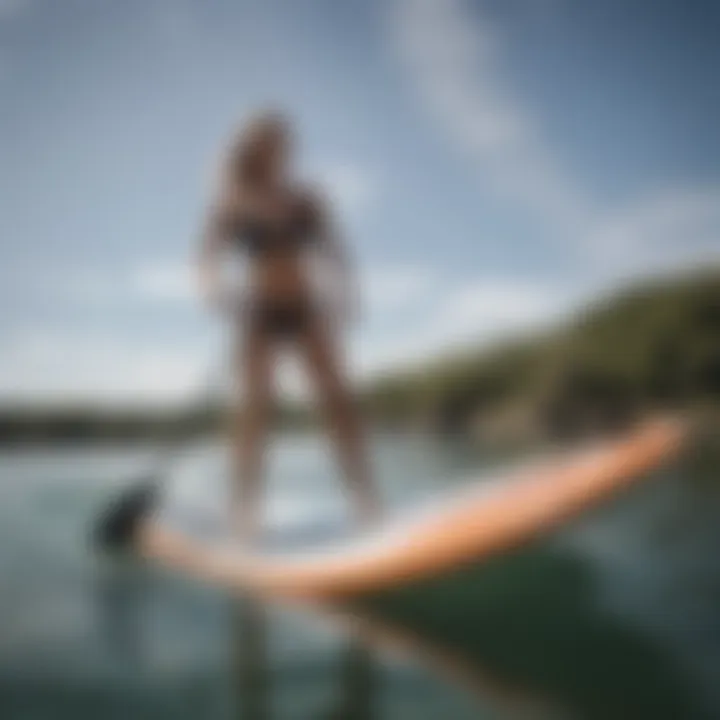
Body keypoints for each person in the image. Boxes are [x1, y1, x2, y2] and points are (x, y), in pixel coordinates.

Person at [197, 111, 379, 539]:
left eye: (284, 140)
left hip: (305, 308)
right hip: (259, 314)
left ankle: (366, 501)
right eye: (271, 140)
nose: (282, 146)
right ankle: (245, 512)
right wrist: (216, 291)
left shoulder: (305, 199)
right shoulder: (233, 200)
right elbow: (207, 258)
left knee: (338, 401)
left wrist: (347, 292)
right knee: (254, 411)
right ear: (253, 147)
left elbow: (337, 251)